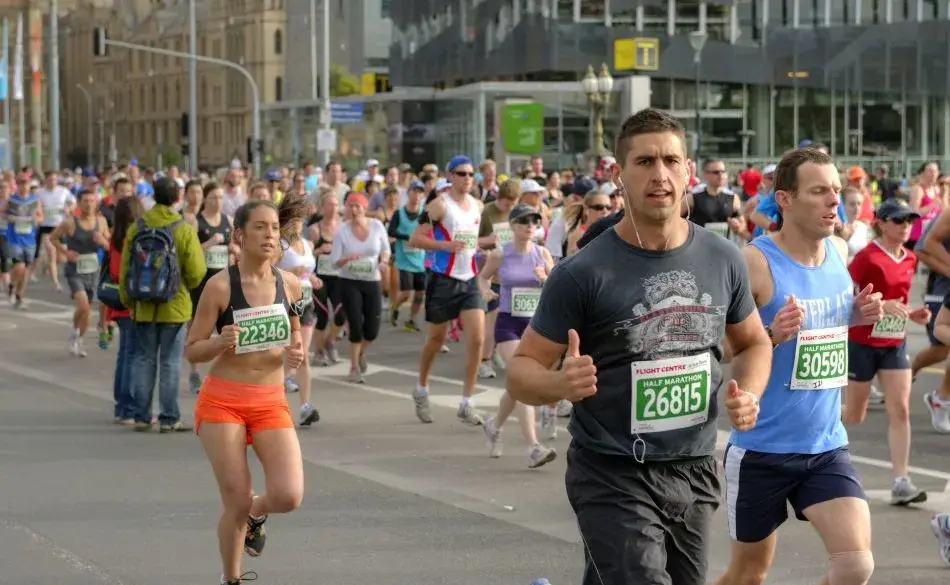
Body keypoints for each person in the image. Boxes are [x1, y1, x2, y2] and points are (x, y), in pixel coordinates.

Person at [506, 108, 772, 585]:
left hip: (692, 467)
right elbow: (522, 370)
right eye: (645, 161)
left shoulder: (723, 258)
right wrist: (557, 382)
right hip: (612, 472)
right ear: (618, 175)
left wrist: (748, 392)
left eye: (671, 160)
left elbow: (753, 343)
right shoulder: (583, 273)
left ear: (688, 170)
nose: (660, 175)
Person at [716, 147, 883, 585]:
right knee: (749, 574)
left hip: (826, 445)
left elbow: (826, 321)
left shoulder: (839, 251)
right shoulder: (754, 263)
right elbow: (720, 350)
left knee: (855, 565)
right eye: (819, 191)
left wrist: (857, 314)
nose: (834, 201)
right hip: (763, 449)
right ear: (785, 199)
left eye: (836, 190)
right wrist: (770, 335)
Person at [185, 199, 306, 585]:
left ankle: (255, 512)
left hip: (270, 400)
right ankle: (232, 578)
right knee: (233, 500)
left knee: (289, 495)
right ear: (239, 235)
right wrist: (220, 342)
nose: (269, 234)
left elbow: (296, 329)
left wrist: (297, 350)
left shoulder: (290, 284)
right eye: (259, 227)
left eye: (273, 227)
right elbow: (192, 348)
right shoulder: (220, 286)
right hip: (224, 400)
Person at [842, 198, 929, 505]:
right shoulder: (867, 257)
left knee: (901, 409)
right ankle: (808, 425)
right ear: (881, 222)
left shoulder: (909, 258)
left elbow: (897, 301)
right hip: (862, 341)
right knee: (853, 414)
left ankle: (901, 481)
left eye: (909, 221)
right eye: (899, 220)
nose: (905, 226)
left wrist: (912, 313)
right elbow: (844, 291)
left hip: (894, 342)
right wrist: (876, 304)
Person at [408, 155, 496, 425]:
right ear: (451, 176)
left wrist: (484, 243)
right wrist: (444, 246)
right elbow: (415, 238)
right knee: (436, 339)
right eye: (462, 174)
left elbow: (469, 241)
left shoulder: (478, 206)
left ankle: (466, 403)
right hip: (442, 279)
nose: (468, 178)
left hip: (469, 277)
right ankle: (421, 388)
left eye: (471, 174)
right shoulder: (438, 206)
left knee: (478, 340)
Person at [119, 177, 207, 433]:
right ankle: (169, 417)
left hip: (143, 304)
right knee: (170, 361)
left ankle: (142, 415)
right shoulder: (182, 228)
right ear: (177, 198)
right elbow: (196, 270)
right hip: (174, 304)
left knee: (145, 359)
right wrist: (185, 286)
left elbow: (126, 268)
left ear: (154, 196)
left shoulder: (138, 226)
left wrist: (128, 299)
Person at [477, 203, 557, 468]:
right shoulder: (501, 254)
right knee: (523, 382)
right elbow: (483, 278)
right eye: (523, 221)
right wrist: (486, 291)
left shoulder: (542, 253)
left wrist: (545, 277)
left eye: (534, 220)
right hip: (508, 323)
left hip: (535, 326)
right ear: (512, 225)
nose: (529, 225)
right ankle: (533, 447)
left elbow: (558, 287)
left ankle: (494, 424)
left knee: (515, 386)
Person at [330, 192, 390, 383]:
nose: (354, 210)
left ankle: (360, 352)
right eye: (350, 206)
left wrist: (384, 261)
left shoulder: (377, 226)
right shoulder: (342, 231)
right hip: (349, 282)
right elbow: (333, 263)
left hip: (372, 280)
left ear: (365, 208)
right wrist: (346, 258)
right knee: (355, 326)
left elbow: (386, 250)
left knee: (372, 330)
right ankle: (354, 368)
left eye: (357, 206)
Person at [275, 194, 322, 423]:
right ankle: (272, 398)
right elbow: (269, 273)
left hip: (307, 301)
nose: (298, 223)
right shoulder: (279, 245)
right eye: (294, 218)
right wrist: (291, 274)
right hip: (285, 303)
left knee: (302, 355)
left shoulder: (306, 244)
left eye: (301, 219)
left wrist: (312, 278)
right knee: (287, 354)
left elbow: (307, 270)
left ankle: (305, 406)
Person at [187, 183, 238, 394]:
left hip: (223, 282)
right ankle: (194, 372)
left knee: (228, 328)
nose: (218, 201)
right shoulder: (196, 222)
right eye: (214, 197)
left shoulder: (228, 221)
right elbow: (189, 251)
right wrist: (209, 243)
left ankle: (225, 374)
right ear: (205, 199)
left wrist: (233, 250)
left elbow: (234, 248)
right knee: (198, 329)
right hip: (201, 281)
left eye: (220, 197)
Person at [49, 188, 111, 357]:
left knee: (87, 312)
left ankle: (77, 337)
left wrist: (103, 241)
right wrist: (65, 252)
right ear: (78, 203)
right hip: (74, 270)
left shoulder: (102, 221)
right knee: (83, 306)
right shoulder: (70, 222)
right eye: (86, 201)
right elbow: (52, 238)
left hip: (93, 270)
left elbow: (109, 245)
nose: (89, 204)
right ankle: (75, 335)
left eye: (92, 201)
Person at [107, 196, 144, 425]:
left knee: (124, 356)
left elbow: (112, 270)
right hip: (131, 300)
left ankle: (121, 405)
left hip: (119, 302)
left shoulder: (115, 237)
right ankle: (128, 407)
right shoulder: (135, 238)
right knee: (132, 356)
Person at [4, 173, 43, 310]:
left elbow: (40, 217)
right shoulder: (11, 200)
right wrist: (10, 217)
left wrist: (35, 220)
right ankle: (11, 286)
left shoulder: (35, 200)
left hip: (30, 239)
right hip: (14, 238)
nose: (23, 186)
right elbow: (2, 213)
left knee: (25, 270)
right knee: (19, 267)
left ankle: (19, 295)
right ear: (17, 185)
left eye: (25, 183)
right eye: (20, 183)